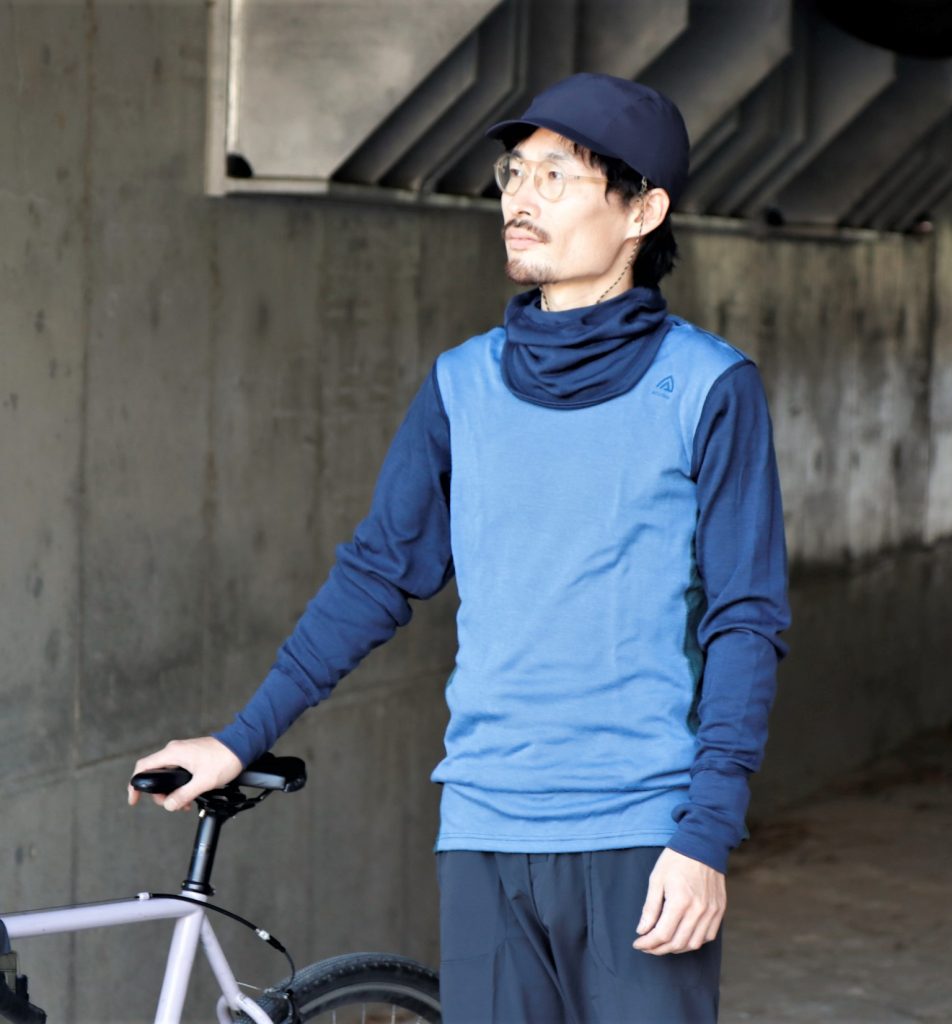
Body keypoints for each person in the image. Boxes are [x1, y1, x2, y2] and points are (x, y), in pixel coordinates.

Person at [130, 73, 790, 1023]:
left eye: (556, 176)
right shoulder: (461, 385)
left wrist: (705, 835)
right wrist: (241, 737)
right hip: (484, 830)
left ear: (643, 210)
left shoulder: (708, 389)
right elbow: (375, 577)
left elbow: (746, 620)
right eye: (513, 172)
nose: (520, 198)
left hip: (641, 834)